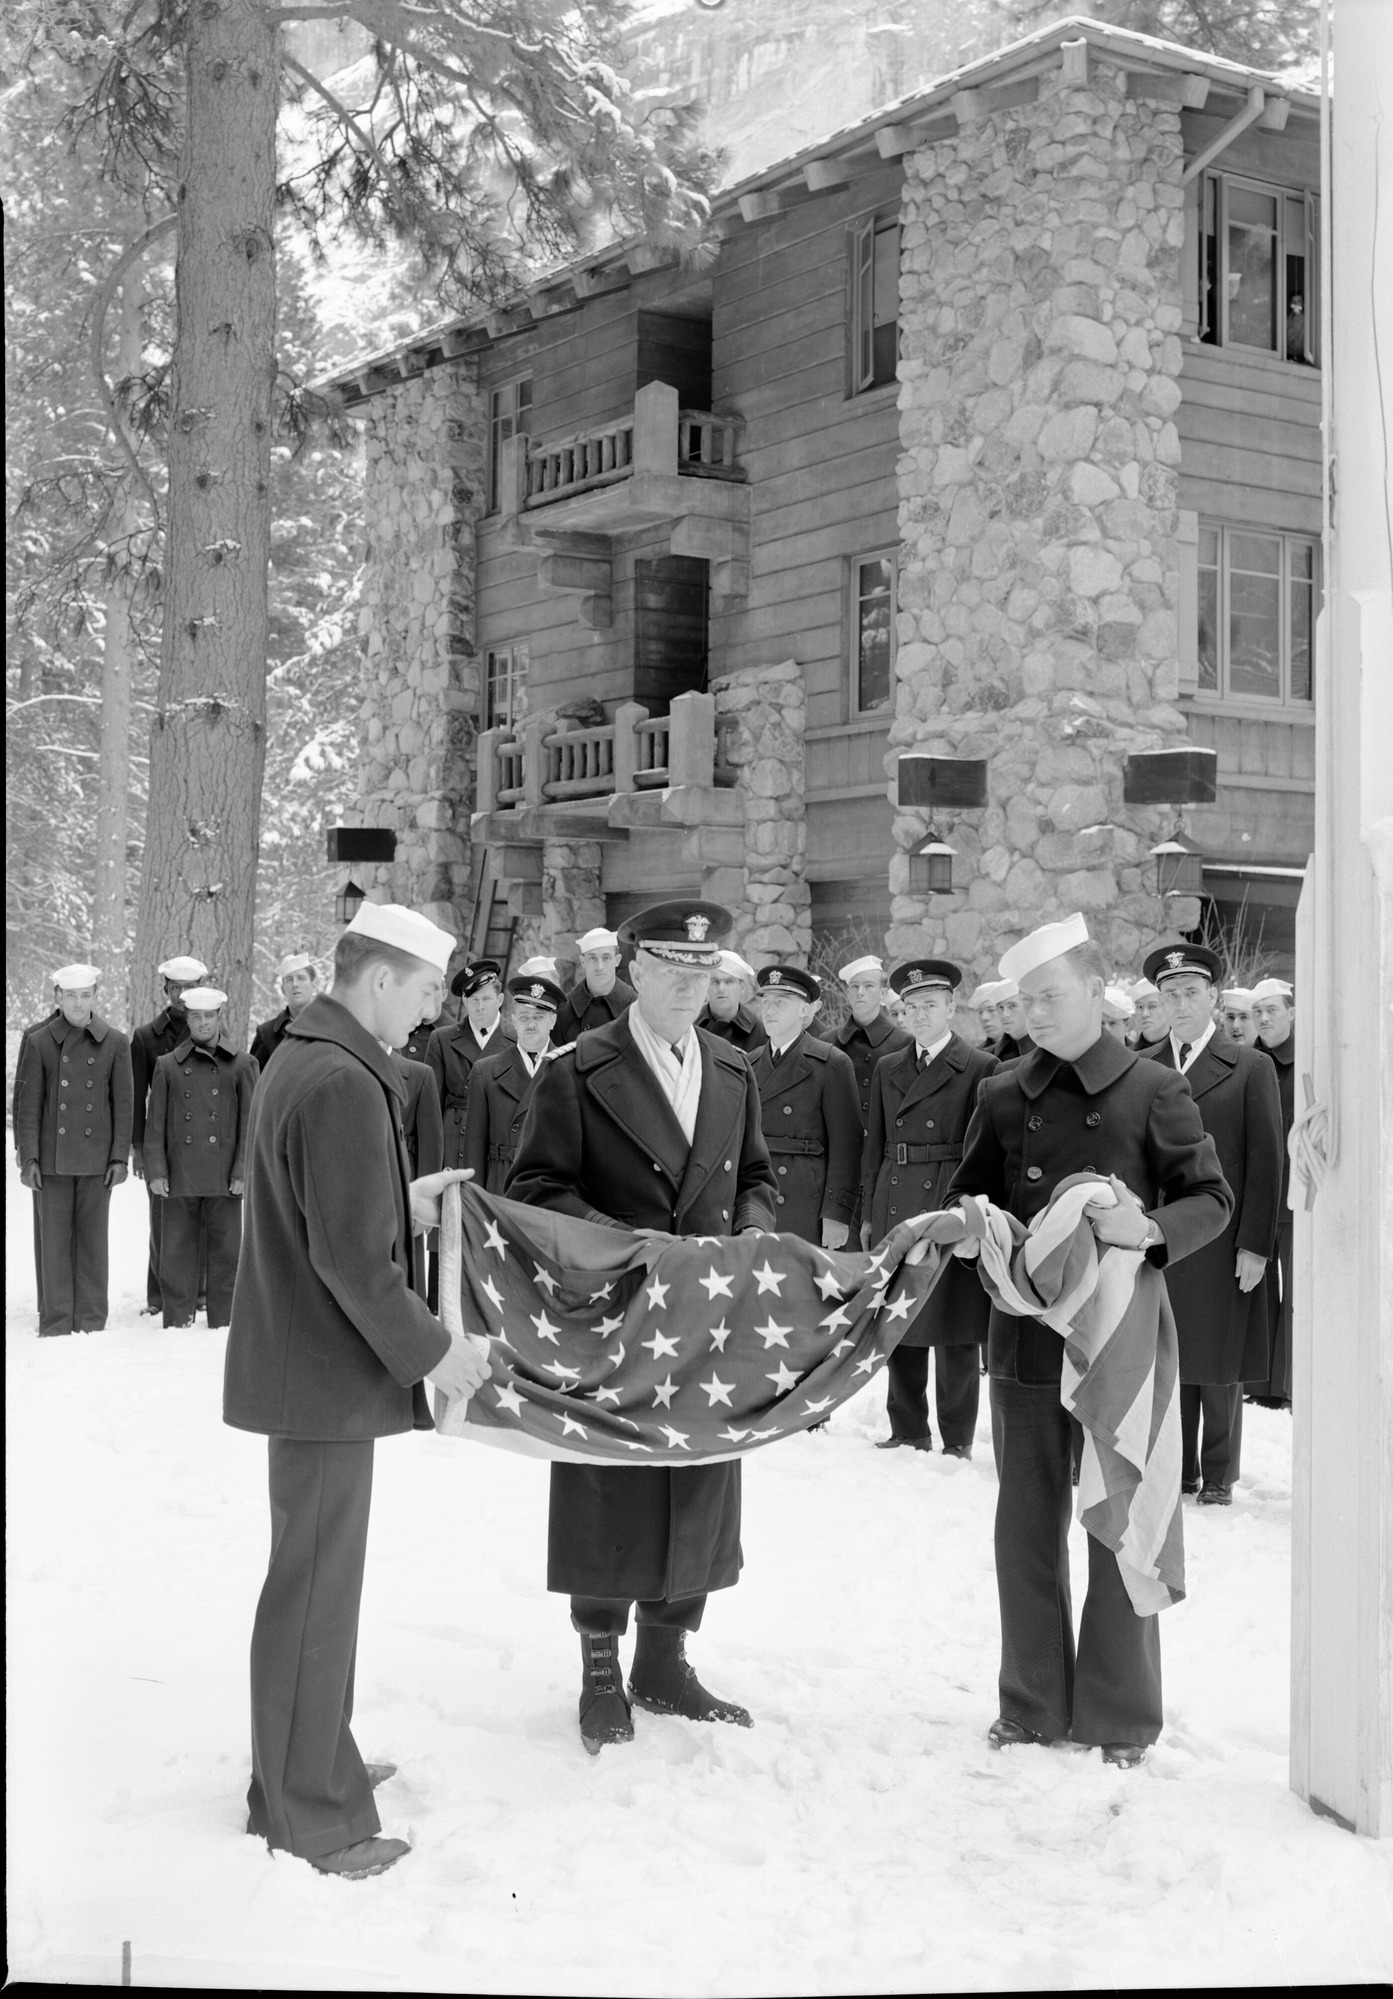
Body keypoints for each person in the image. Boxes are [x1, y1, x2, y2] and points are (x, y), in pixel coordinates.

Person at [224, 902, 489, 1882]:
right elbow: (345, 1256)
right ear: (380, 978)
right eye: (425, 992)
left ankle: (298, 1767)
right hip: (322, 1370)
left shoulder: (316, 1056)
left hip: (311, 1367)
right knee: (314, 1596)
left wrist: (402, 1200)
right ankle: (313, 1816)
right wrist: (434, 1353)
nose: (427, 1014)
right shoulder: (339, 1075)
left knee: (311, 1589)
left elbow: (321, 1211)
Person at [948, 913, 1231, 1766]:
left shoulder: (1152, 1089)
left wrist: (1146, 1228)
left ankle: (1119, 1713)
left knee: (1120, 1520)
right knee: (1025, 1523)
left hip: (1120, 1341)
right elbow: (972, 1198)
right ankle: (1030, 1702)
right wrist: (976, 1237)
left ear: (1094, 991)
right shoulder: (1000, 1093)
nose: (1035, 1013)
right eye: (1025, 1000)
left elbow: (1209, 1198)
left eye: (1051, 996)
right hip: (1027, 1337)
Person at [507, 900, 777, 1755]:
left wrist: (749, 1235)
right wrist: (624, 1249)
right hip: (613, 1317)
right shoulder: (577, 1069)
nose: (690, 988)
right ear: (633, 971)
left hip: (705, 1317)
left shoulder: (733, 1068)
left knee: (696, 1474)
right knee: (607, 1481)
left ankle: (666, 1655)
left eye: (703, 974)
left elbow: (758, 1177)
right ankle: (599, 1664)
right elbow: (536, 1188)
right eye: (672, 971)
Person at [1139, 942, 1284, 1506]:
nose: (1179, 1004)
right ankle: (1177, 1468)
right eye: (1169, 995)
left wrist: (1256, 1245)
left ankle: (1218, 1475)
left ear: (1213, 999)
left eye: (1190, 993)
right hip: (1164, 1232)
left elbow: (1266, 1161)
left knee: (1220, 1357)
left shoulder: (1251, 1067)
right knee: (1169, 1356)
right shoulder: (1144, 1065)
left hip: (1224, 1236)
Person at [862, 960, 1000, 1457]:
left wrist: (974, 1216)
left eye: (929, 1005)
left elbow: (985, 1153)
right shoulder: (888, 1067)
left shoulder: (980, 1067)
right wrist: (868, 1214)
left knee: (955, 1324)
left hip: (949, 1195)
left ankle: (957, 1438)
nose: (919, 1016)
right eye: (911, 1007)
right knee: (898, 1317)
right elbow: (875, 1144)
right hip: (896, 1197)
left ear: (951, 1007)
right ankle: (907, 1428)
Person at [14, 963, 133, 1338]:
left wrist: (118, 1157)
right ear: (58, 998)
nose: (79, 1004)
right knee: (53, 1243)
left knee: (93, 1242)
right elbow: (28, 1106)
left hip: (98, 1161)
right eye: (71, 996)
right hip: (52, 1161)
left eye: (85, 995)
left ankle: (93, 1319)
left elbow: (124, 1105)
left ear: (95, 997)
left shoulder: (115, 1042)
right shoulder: (39, 1041)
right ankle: (56, 1320)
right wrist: (28, 1158)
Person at [144, 987, 258, 1329]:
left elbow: (250, 1126)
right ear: (188, 1019)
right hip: (180, 1173)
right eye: (196, 1017)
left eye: (209, 1016)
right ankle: (177, 1318)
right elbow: (155, 1126)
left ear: (219, 1018)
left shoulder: (243, 1063)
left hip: (225, 1175)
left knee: (226, 1250)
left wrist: (242, 1171)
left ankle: (224, 1319)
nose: (203, 1023)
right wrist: (157, 1171)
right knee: (176, 1248)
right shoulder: (167, 1065)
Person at [749, 964, 860, 1246]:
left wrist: (837, 1214)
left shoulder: (831, 1062)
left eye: (780, 1003)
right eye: (766, 1002)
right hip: (757, 1201)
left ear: (804, 1011)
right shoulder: (749, 1063)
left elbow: (847, 1147)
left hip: (806, 1203)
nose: (770, 1010)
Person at [131, 955, 210, 1314]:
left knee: (205, 1219)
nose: (181, 996)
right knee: (162, 1221)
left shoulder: (210, 1032)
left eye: (189, 989)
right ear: (165, 989)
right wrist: (137, 1148)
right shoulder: (147, 1037)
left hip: (205, 1142)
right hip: (162, 1142)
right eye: (175, 988)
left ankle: (203, 1293)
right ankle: (160, 1296)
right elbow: (136, 1099)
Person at [461, 971, 564, 1191]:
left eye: (539, 1017)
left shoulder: (568, 1070)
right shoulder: (486, 1071)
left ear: (553, 1020)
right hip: (500, 1186)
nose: (531, 1024)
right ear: (514, 1020)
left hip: (548, 1189)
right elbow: (473, 1149)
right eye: (524, 1016)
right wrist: (476, 1204)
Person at [1248, 977, 1296, 1408]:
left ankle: (1289, 1384)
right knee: (1259, 1289)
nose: (1264, 1019)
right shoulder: (1247, 1062)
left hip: (1298, 1198)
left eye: (1273, 1011)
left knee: (1297, 1291)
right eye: (1257, 1012)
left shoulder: (1307, 1061)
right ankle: (1261, 1385)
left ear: (1292, 1013)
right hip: (1259, 1195)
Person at [426, 959, 511, 1169]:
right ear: (464, 1001)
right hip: (454, 1142)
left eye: (487, 998)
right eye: (473, 999)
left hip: (498, 1143)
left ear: (500, 999)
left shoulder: (518, 1040)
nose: (480, 1006)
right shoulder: (442, 1039)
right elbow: (431, 1105)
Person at [553, 925, 636, 1043]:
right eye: (592, 958)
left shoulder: (635, 1007)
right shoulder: (564, 1011)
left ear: (617, 960)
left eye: (606, 958)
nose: (599, 967)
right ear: (583, 961)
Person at [250, 953, 319, 1070]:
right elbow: (254, 1083)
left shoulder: (332, 1027)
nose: (295, 984)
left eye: (301, 978)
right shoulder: (267, 1034)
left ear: (314, 985)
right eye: (289, 979)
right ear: (283, 989)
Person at [697, 949, 768, 1056]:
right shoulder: (690, 1024)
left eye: (729, 981)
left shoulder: (760, 1033)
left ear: (742, 987)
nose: (721, 988)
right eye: (715, 981)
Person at [994, 981, 1035, 1062]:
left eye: (1012, 1006)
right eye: (1000, 1007)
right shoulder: (989, 1056)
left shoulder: (1049, 1051)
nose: (1005, 1014)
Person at [1128, 976, 1169, 1051]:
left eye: (1152, 1006)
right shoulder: (1129, 1056)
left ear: (1167, 1008)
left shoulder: (1185, 1051)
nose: (1145, 1014)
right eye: (1139, 1007)